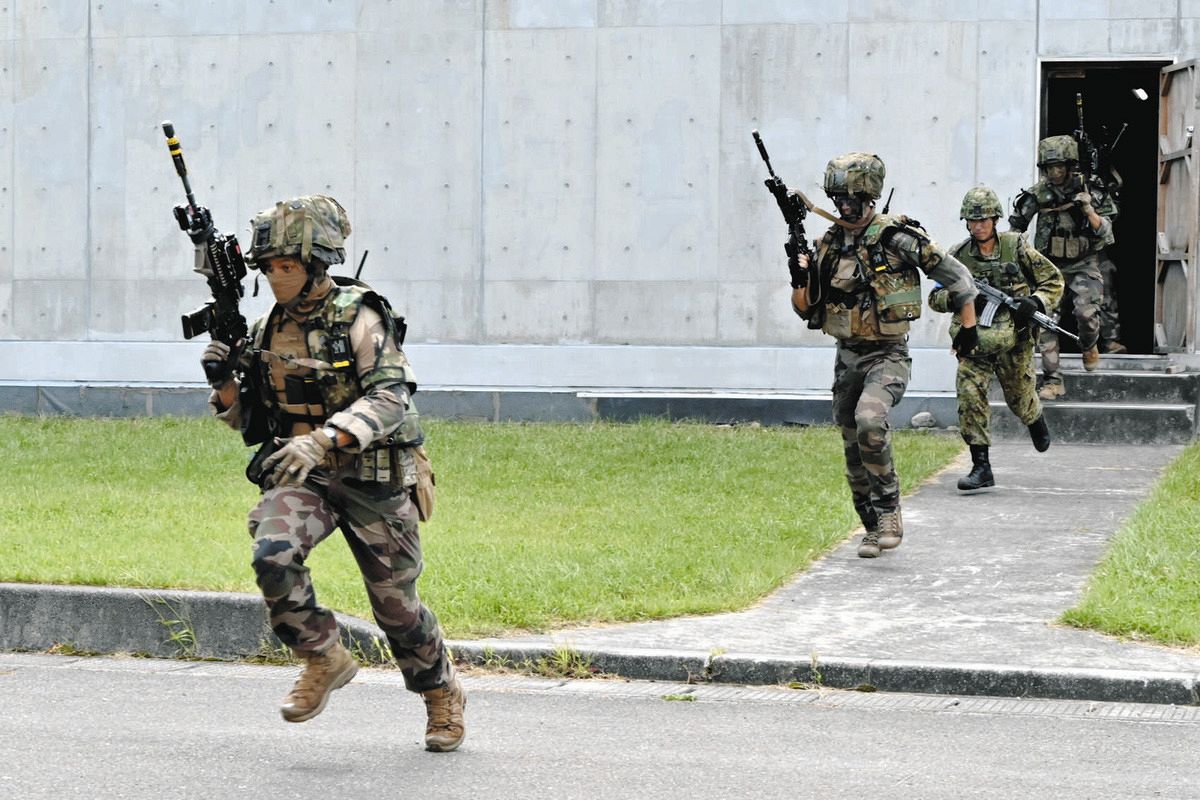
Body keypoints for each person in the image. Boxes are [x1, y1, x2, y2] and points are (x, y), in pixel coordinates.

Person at [199, 195, 465, 752]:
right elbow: (253, 420)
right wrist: (224, 384)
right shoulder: (269, 326)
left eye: (287, 266)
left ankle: (440, 692)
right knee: (272, 553)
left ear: (316, 264)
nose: (276, 278)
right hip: (306, 475)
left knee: (397, 609)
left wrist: (326, 438)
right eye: (268, 268)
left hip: (373, 475)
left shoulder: (360, 314)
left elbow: (391, 397)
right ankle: (322, 655)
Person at [789, 152, 979, 558]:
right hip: (847, 357)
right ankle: (871, 527)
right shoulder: (829, 244)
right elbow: (805, 309)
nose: (843, 205)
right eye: (837, 196)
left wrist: (969, 328)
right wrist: (800, 277)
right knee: (853, 445)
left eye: (850, 196)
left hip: (887, 355)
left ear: (869, 195)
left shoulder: (897, 239)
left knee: (870, 421)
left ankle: (890, 510)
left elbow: (959, 278)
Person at [930, 187, 1064, 491]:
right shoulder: (957, 256)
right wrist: (961, 300)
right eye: (972, 221)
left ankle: (1034, 417)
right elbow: (935, 297)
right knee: (969, 394)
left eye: (984, 220)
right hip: (974, 339)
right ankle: (981, 466)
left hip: (1014, 338)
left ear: (995, 219)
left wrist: (1037, 302)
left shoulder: (1016, 247)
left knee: (1019, 397)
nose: (978, 226)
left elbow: (1053, 280)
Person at [1008, 135, 1118, 399]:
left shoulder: (1091, 190)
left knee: (1086, 314)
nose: (1054, 173)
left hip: (1083, 263)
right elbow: (1015, 226)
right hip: (1048, 268)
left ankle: (1090, 345)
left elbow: (1106, 232)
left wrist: (1088, 209)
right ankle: (1052, 381)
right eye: (1049, 168)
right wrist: (1015, 258)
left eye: (1059, 167)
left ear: (1070, 166)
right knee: (1043, 322)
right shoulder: (1038, 194)